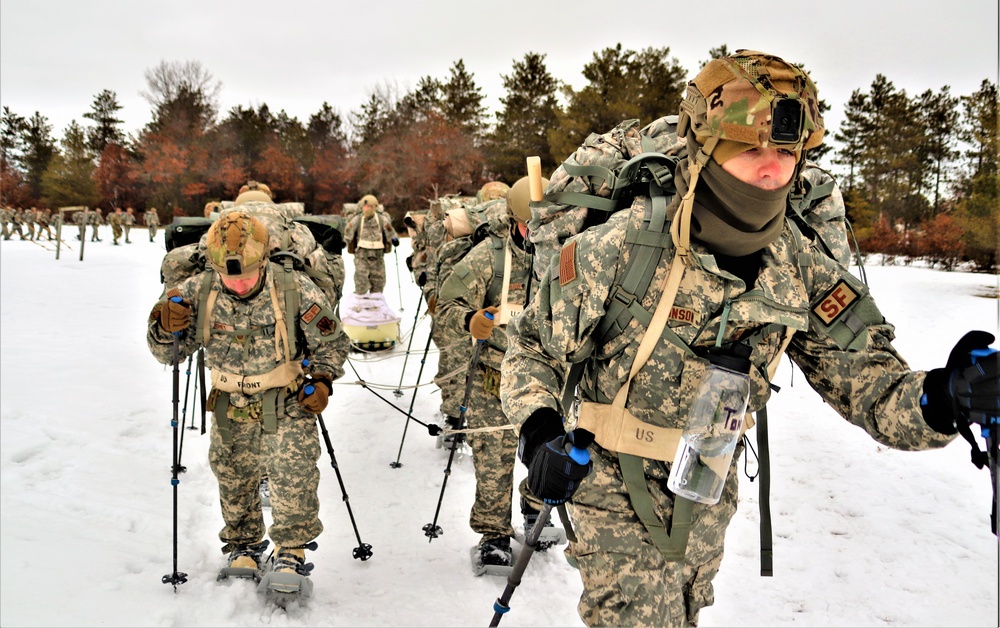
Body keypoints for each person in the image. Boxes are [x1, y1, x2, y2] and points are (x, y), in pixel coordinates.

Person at [500, 49, 999, 627]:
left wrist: (943, 398)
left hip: (706, 485)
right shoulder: (629, 242)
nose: (772, 168)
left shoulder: (798, 262)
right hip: (609, 478)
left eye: (786, 151)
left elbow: (869, 381)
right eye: (751, 148)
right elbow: (533, 345)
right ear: (707, 148)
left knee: (683, 614)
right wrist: (539, 435)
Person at [146, 210, 351, 587]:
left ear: (263, 260)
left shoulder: (293, 288)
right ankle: (244, 545)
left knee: (294, 476)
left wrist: (322, 380)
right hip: (229, 403)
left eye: (246, 276)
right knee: (233, 475)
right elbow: (168, 354)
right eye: (229, 277)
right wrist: (164, 327)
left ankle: (291, 552)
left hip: (287, 400)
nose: (238, 285)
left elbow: (333, 342)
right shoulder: (198, 290)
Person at [437, 177, 558, 571]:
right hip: (496, 377)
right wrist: (470, 320)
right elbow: (448, 303)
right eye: (529, 224)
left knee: (549, 454)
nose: (537, 232)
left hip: (549, 380)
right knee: (494, 460)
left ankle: (534, 506)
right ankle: (493, 535)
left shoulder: (564, 253)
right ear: (513, 220)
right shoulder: (490, 256)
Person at [343, 194, 398, 294]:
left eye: (368, 207)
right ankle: (360, 303)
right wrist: (344, 241)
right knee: (361, 282)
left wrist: (394, 239)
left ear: (374, 207)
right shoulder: (358, 219)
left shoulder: (381, 219)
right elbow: (348, 231)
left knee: (378, 283)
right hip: (361, 255)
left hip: (378, 256)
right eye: (364, 207)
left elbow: (390, 231)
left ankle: (375, 305)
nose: (366, 209)